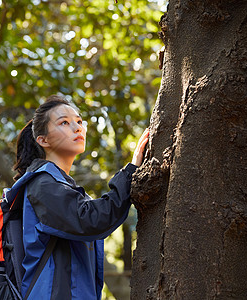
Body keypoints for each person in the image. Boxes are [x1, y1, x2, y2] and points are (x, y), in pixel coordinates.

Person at [12, 95, 149, 299]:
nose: (77, 128)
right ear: (43, 139)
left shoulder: (62, 184)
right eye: (64, 122)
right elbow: (91, 220)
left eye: (79, 121)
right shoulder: (42, 184)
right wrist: (130, 172)